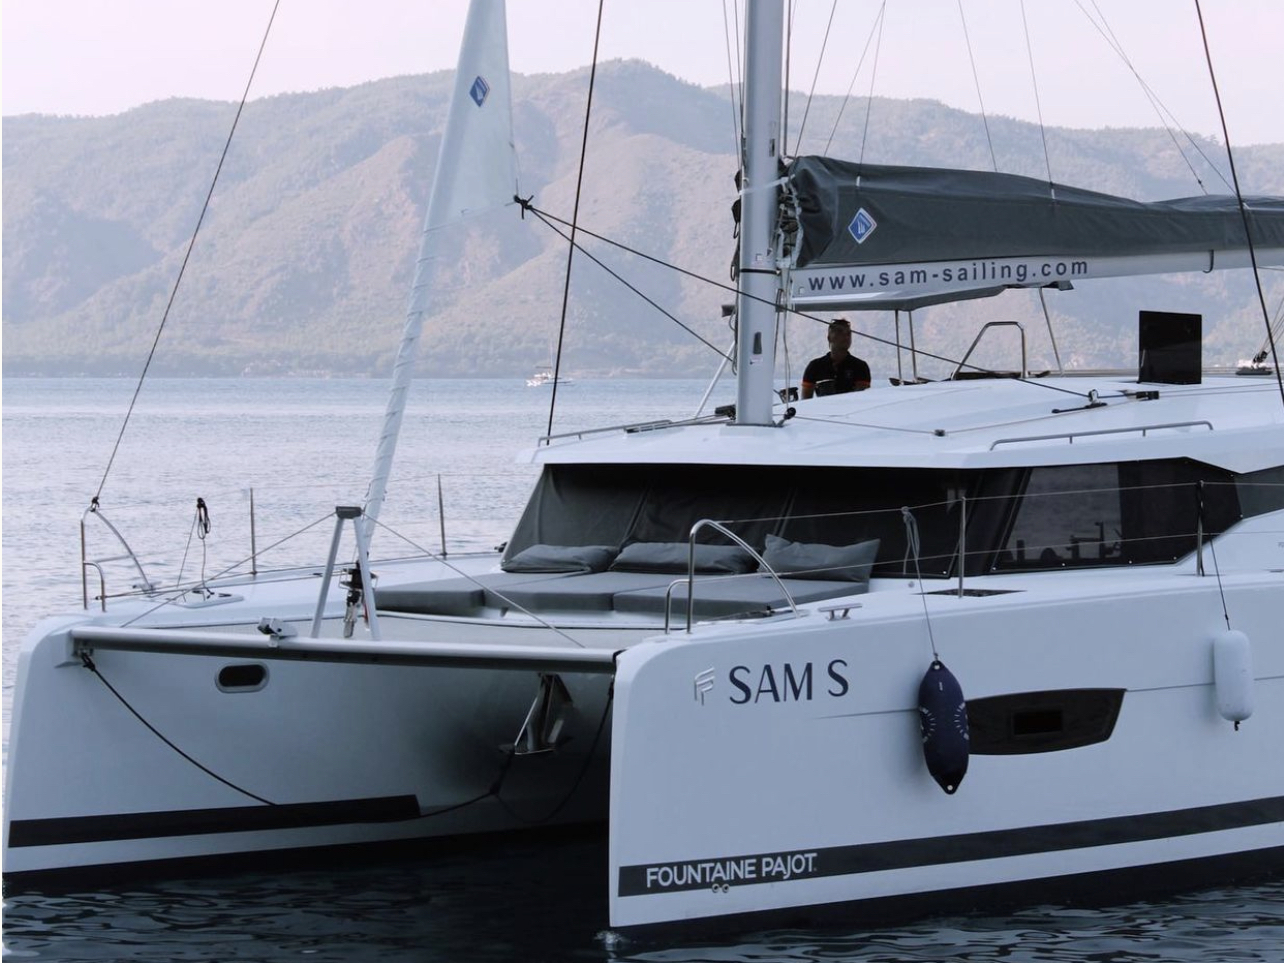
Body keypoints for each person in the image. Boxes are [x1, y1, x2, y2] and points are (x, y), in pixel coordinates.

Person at [801, 318, 871, 398]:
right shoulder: (814, 366)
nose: (846, 336)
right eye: (840, 332)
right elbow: (806, 400)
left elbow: (861, 398)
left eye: (848, 333)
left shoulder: (860, 366)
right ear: (829, 338)